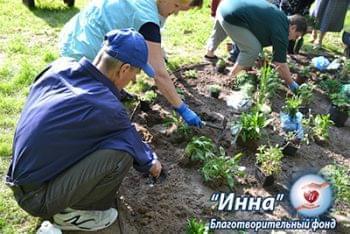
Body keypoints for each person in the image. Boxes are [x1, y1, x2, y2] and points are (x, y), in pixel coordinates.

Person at [5, 29, 162, 231]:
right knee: (122, 154)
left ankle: (61, 198)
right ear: (124, 69)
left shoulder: (59, 66)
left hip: (23, 176)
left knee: (104, 139)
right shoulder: (107, 107)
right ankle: (74, 214)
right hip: (37, 198)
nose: (132, 81)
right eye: (135, 74)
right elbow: (143, 156)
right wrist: (154, 164)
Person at [59, 0, 203, 127]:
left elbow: (151, 39)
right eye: (176, 5)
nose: (176, 12)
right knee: (92, 98)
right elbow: (159, 73)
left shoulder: (151, 6)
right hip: (86, 47)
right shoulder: (147, 18)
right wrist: (182, 108)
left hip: (76, 29)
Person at [205, 0, 307, 92]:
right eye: (296, 36)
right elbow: (279, 63)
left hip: (224, 5)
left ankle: (210, 53)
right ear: (293, 27)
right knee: (252, 49)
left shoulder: (280, 17)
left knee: (221, 30)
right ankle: (231, 77)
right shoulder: (282, 30)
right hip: (231, 15)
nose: (294, 39)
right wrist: (291, 83)